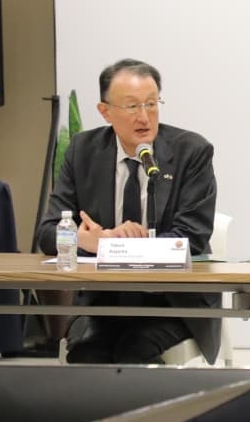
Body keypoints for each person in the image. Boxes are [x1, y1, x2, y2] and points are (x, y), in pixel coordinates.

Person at [35, 58, 220, 364]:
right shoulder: (82, 151)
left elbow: (193, 238)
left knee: (133, 352)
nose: (144, 117)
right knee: (86, 355)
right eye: (132, 106)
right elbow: (47, 232)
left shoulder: (192, 152)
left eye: (151, 104)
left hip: (173, 302)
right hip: (103, 301)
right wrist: (85, 240)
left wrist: (117, 244)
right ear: (105, 111)